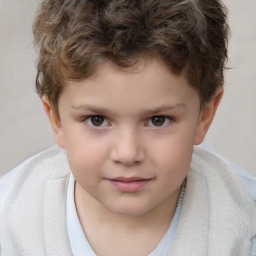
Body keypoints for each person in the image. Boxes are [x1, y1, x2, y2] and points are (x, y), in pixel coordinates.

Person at [0, 0, 256, 255]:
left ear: (204, 116)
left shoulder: (244, 224)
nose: (127, 153)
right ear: (56, 120)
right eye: (97, 120)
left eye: (158, 120)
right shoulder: (10, 222)